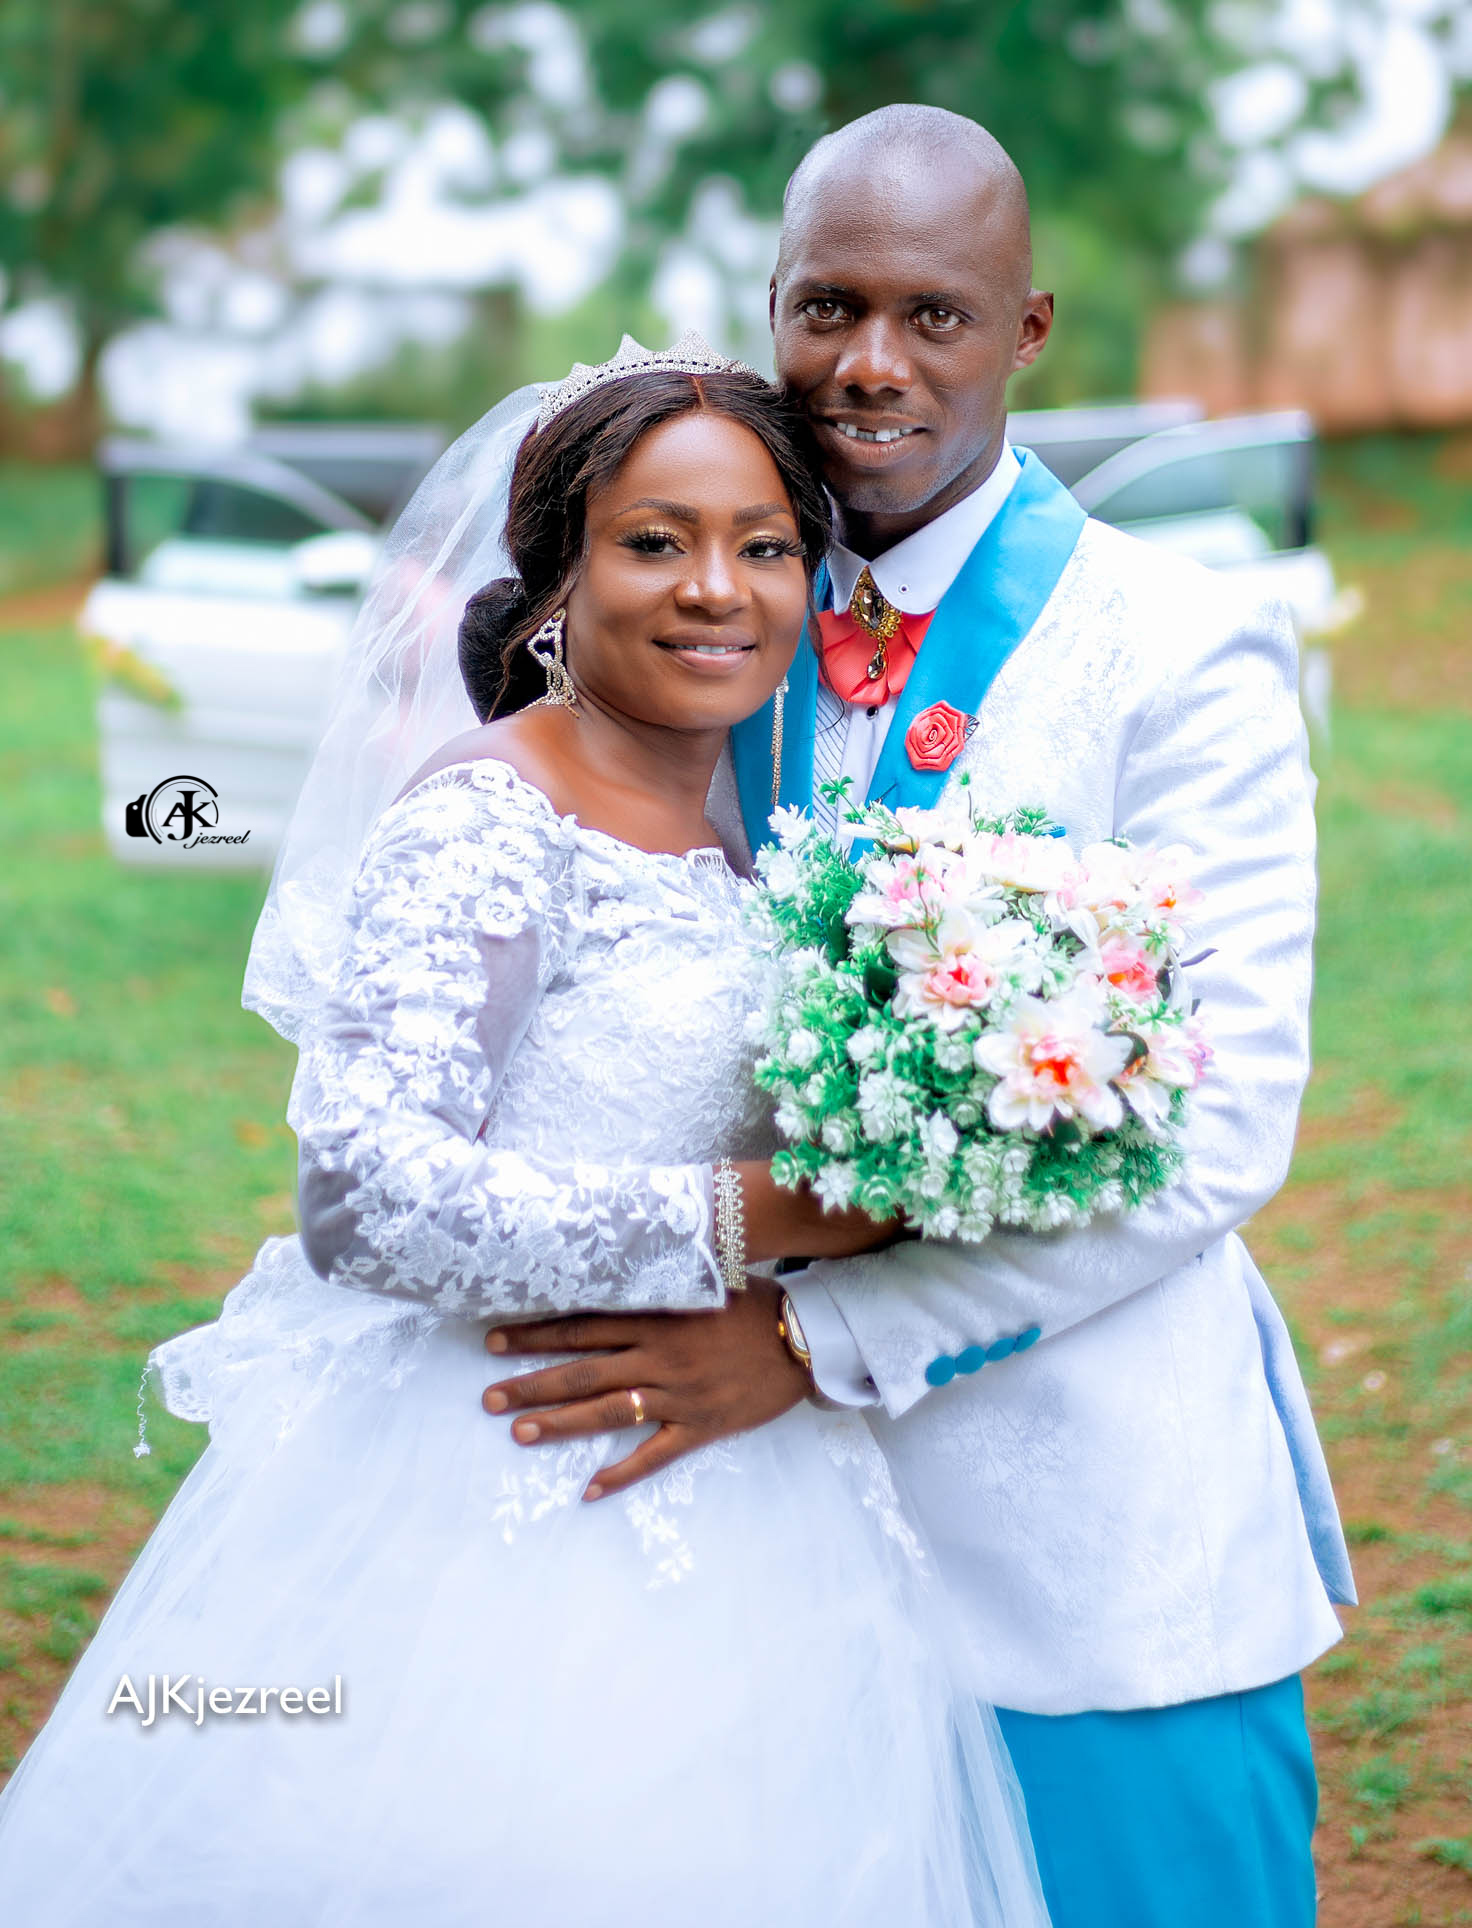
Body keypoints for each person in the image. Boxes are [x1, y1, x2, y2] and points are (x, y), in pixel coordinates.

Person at [0, 350, 1051, 1928]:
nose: (716, 590)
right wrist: (751, 1216)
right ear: (557, 580)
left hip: (739, 1488)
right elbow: (363, 1194)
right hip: (502, 1496)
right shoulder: (488, 814)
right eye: (654, 541)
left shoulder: (728, 831)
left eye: (765, 547)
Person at [478, 109, 1357, 1928]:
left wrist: (807, 1344)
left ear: (1027, 327)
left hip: (1090, 1544)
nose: (869, 366)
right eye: (828, 305)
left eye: (932, 317)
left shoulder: (1177, 651)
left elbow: (1210, 1135)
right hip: (743, 1555)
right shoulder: (693, 614)